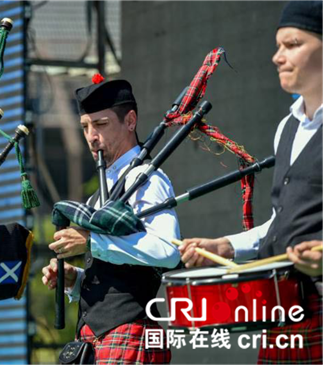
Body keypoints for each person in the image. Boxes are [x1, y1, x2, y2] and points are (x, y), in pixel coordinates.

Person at [179, 2, 322, 363]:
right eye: (278, 46)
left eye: (292, 44)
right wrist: (225, 245)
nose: (278, 57)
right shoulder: (286, 129)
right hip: (285, 310)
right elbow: (283, 220)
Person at [42, 77, 180, 363]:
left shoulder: (147, 179)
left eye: (101, 124)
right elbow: (116, 276)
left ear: (130, 121)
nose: (91, 136)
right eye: (85, 127)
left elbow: (168, 252)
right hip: (95, 340)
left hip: (131, 330)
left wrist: (92, 241)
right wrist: (74, 280)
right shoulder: (100, 194)